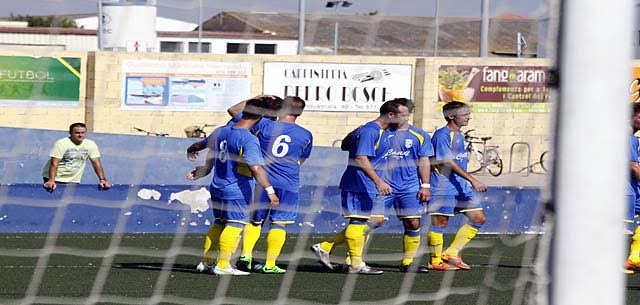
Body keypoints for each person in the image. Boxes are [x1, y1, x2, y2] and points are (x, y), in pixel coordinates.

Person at [310, 98, 411, 275]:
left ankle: (327, 247)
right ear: (390, 114)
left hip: (369, 184)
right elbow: (360, 158)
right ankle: (355, 264)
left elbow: (346, 146)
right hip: (360, 184)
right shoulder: (371, 131)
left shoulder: (380, 131)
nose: (406, 118)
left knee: (375, 220)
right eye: (403, 115)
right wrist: (379, 181)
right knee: (358, 221)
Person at [185, 95, 282, 274]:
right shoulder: (248, 139)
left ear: (244, 112)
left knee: (219, 223)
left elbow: (202, 144)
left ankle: (206, 263)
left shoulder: (221, 131)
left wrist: (192, 150)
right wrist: (270, 190)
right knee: (235, 224)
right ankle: (223, 265)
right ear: (260, 118)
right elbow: (255, 168)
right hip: (237, 188)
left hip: (216, 187)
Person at [228, 96, 313, 274]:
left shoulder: (265, 125)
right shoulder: (306, 135)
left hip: (263, 181)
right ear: (300, 113)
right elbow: (302, 159)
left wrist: (258, 98)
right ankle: (270, 264)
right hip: (289, 183)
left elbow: (234, 111)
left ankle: (246, 256)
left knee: (254, 221)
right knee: (279, 224)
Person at [423, 101, 487, 271]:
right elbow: (446, 161)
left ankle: (451, 253)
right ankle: (435, 261)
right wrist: (472, 179)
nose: (469, 117)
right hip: (443, 185)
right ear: (451, 116)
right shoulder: (442, 134)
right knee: (440, 222)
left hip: (460, 185)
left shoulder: (459, 134)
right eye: (465, 114)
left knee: (478, 218)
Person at [42, 122, 111, 191]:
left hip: (73, 180)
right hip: (55, 178)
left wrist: (102, 180)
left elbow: (96, 163)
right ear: (70, 133)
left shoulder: (90, 144)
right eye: (77, 133)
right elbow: (54, 163)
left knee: (67, 200)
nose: (80, 135)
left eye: (83, 133)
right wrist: (51, 180)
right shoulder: (62, 143)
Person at [625, 102, 640, 274]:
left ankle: (634, 258)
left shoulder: (633, 139)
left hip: (633, 191)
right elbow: (633, 166)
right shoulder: (627, 137)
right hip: (624, 193)